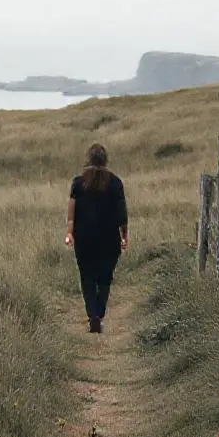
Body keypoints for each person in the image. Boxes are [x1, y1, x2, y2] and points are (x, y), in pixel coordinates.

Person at [65, 143, 128, 333]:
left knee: (87, 277)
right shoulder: (116, 183)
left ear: (88, 159)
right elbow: (122, 214)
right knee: (105, 277)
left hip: (84, 238)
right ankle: (99, 312)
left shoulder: (78, 183)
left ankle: (92, 314)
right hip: (109, 239)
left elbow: (71, 213)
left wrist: (69, 232)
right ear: (105, 160)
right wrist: (124, 235)